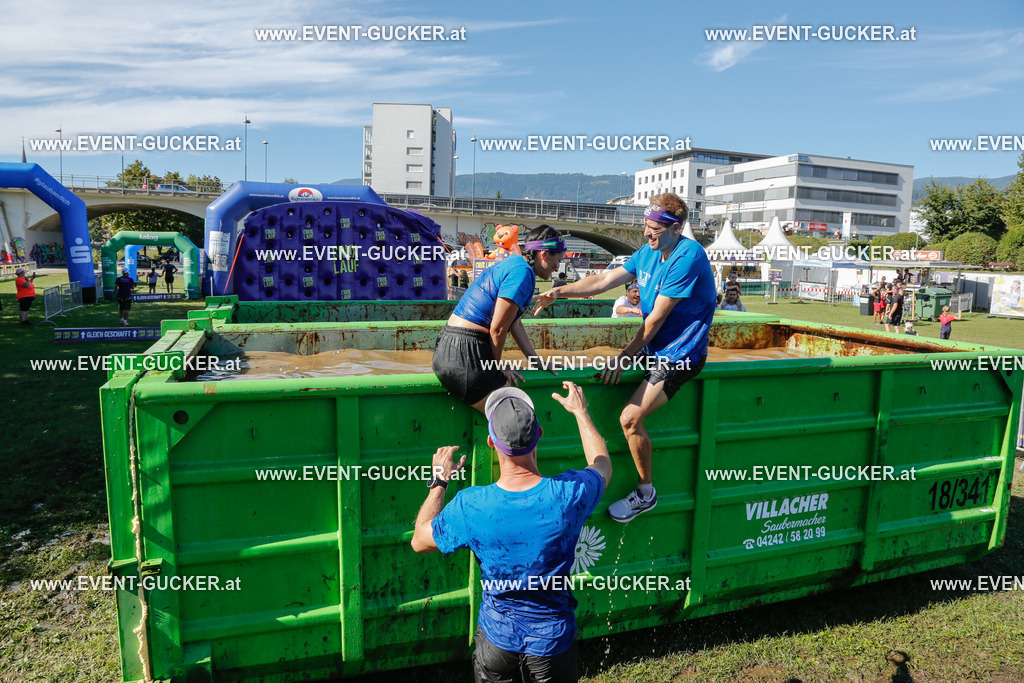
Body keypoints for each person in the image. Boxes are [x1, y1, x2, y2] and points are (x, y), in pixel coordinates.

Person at [534, 193, 716, 522]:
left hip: (679, 355)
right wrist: (557, 292)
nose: (647, 235)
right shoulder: (647, 253)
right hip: (653, 349)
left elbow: (656, 318)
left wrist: (622, 359)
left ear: (675, 229)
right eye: (645, 227)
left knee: (629, 418)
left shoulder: (688, 257)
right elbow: (603, 280)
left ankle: (646, 492)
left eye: (654, 230)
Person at [411, 383, 612, 683]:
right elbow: (603, 465)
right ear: (540, 435)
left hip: (497, 641)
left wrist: (439, 481)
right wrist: (580, 413)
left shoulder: (472, 505)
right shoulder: (569, 495)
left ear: (491, 442)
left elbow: (419, 541)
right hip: (552, 643)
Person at [432, 225, 565, 412]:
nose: (557, 267)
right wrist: (496, 367)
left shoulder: (514, 264)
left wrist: (535, 360)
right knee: (519, 421)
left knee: (511, 426)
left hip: (449, 347)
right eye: (557, 260)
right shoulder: (523, 273)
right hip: (466, 353)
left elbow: (514, 322)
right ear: (543, 254)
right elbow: (499, 329)